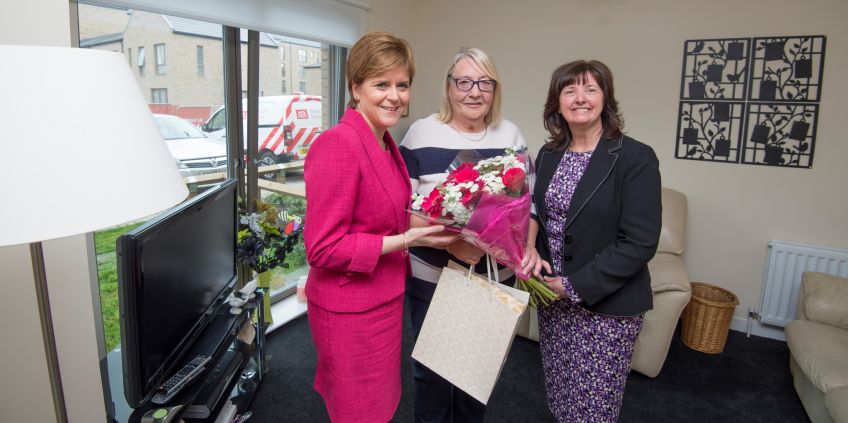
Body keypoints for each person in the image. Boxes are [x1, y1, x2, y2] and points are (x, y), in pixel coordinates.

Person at [303, 31, 456, 423]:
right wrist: (407, 239)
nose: (394, 96)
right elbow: (322, 249)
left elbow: (383, 213)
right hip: (350, 312)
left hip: (383, 302)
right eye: (381, 84)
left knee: (379, 408)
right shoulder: (338, 144)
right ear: (356, 87)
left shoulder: (386, 143)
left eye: (402, 85)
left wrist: (438, 225)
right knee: (359, 413)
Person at [528, 60, 662, 422]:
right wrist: (530, 255)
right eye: (569, 90)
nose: (580, 98)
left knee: (593, 409)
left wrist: (571, 285)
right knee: (560, 394)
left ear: (606, 97)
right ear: (557, 103)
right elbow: (538, 214)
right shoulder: (549, 154)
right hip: (553, 301)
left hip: (605, 305)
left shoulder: (635, 157)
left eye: (590, 89)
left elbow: (639, 242)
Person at [400, 47, 528, 423]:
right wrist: (455, 241)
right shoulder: (420, 133)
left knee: (477, 377)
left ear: (495, 89)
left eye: (485, 82)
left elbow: (526, 206)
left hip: (490, 279)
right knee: (433, 377)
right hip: (433, 279)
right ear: (449, 87)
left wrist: (511, 242)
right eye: (464, 82)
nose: (475, 92)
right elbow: (403, 210)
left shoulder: (512, 134)